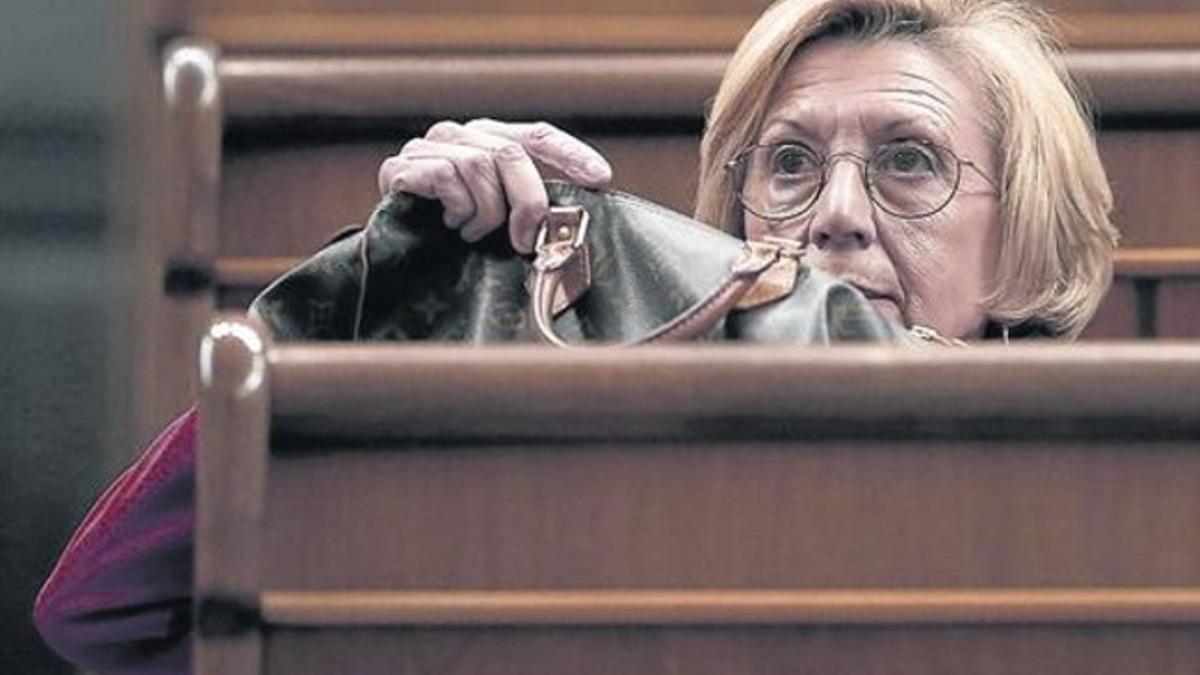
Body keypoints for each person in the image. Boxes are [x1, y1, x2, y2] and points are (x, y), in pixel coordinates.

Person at [34, 0, 1119, 673]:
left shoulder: (1115, 525)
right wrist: (382, 301)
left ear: (1025, 247)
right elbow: (111, 621)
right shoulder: (590, 486)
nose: (834, 210)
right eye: (787, 164)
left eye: (909, 162)